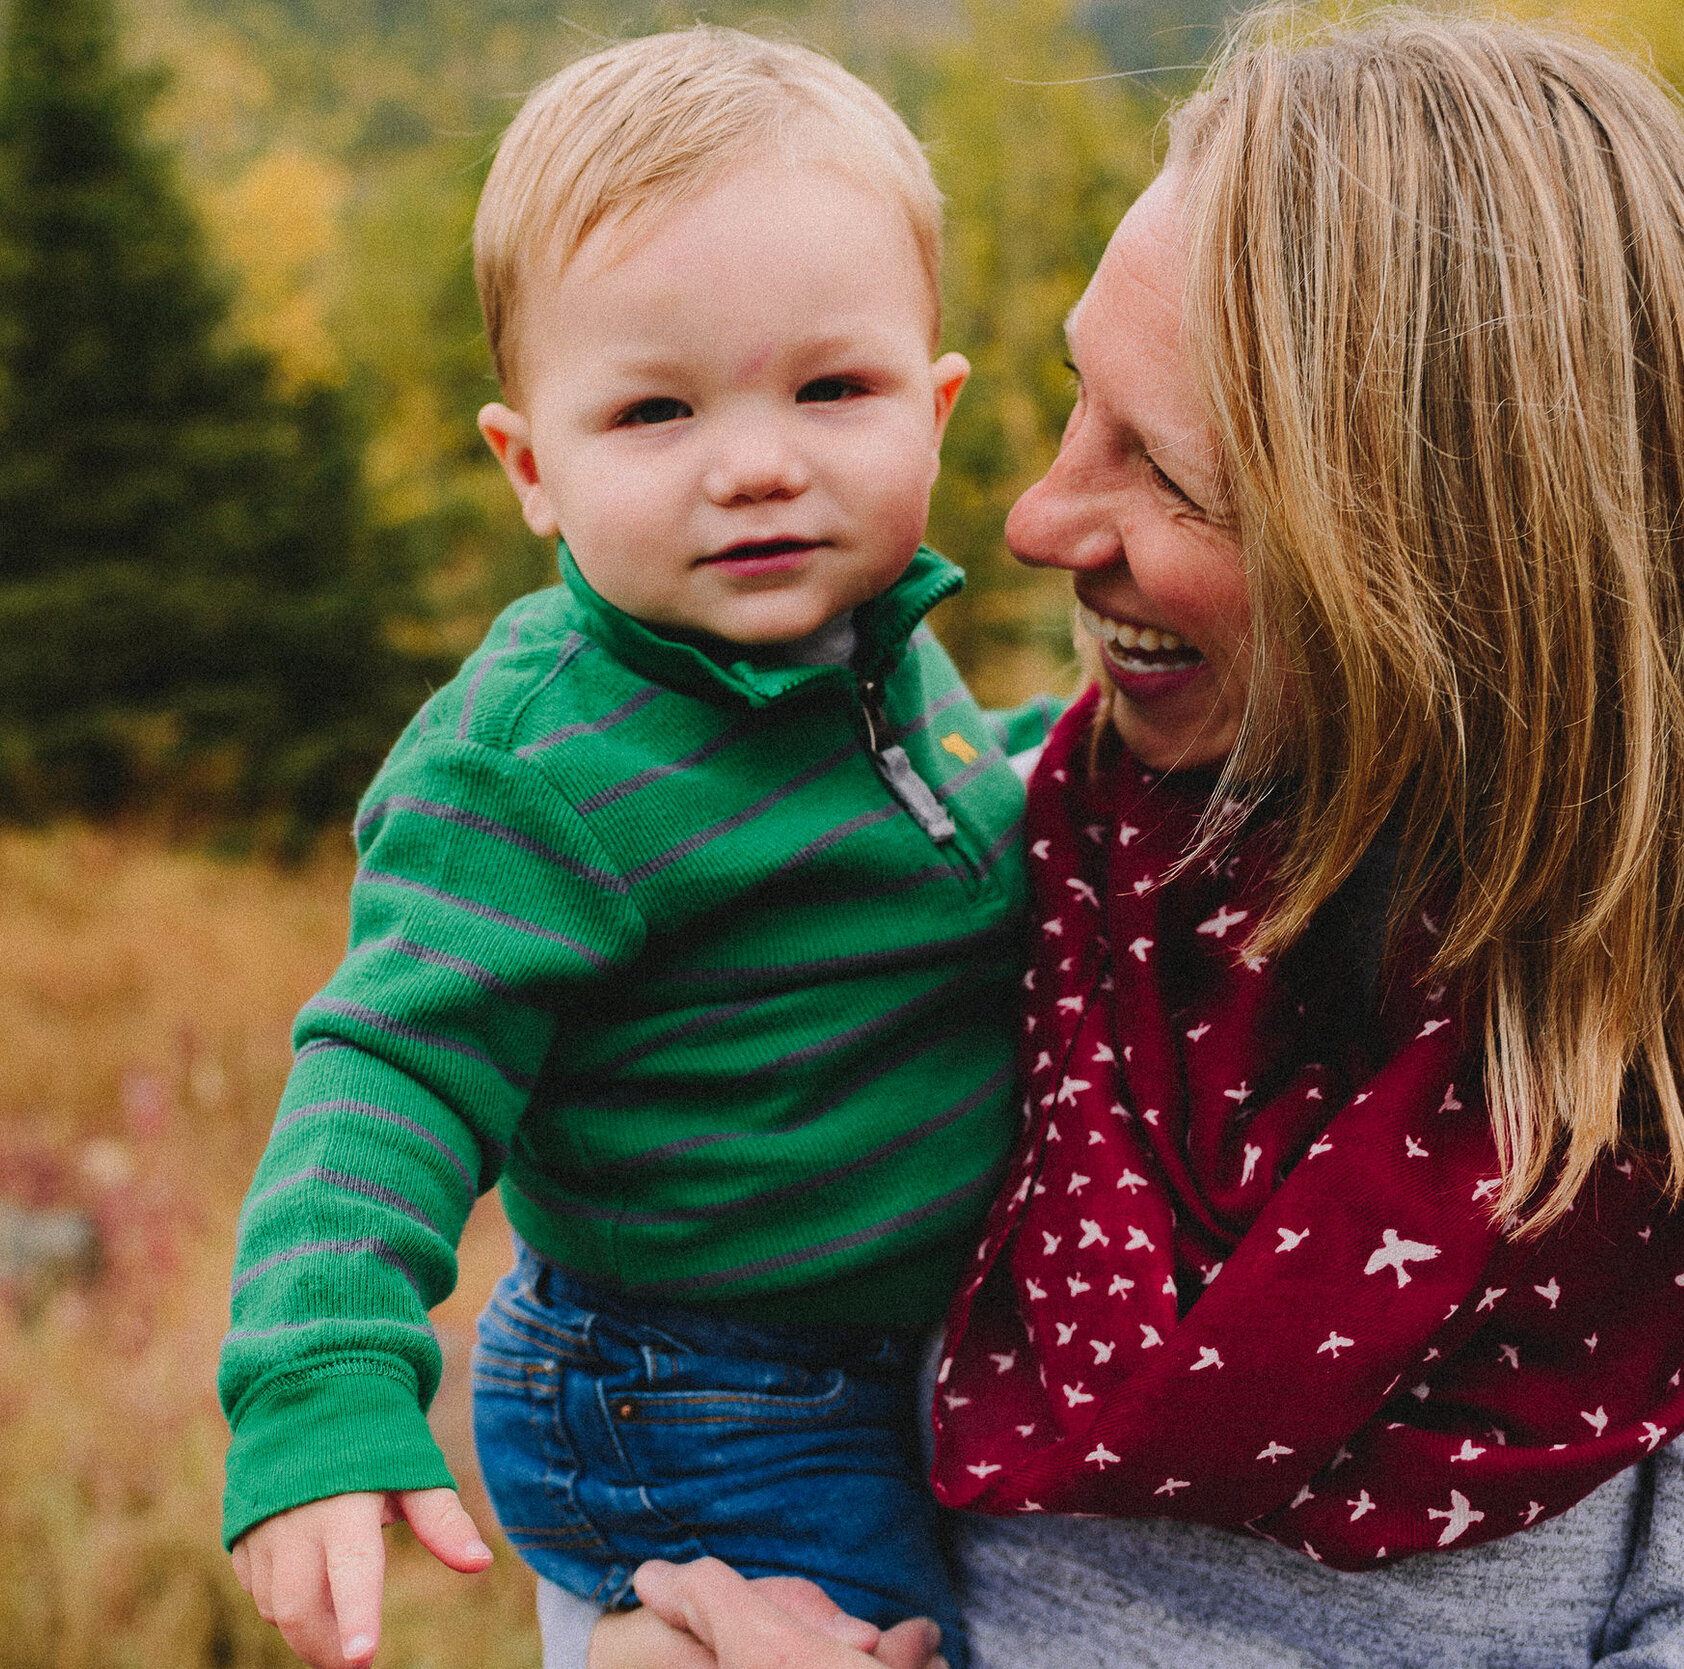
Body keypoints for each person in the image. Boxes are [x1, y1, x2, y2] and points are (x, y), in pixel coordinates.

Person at [590, 11, 1684, 1667]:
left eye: (1174, 478)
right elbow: (685, 1396)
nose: (1039, 520)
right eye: (1076, 397)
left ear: (1457, 567)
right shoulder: (995, 851)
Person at [217, 25, 1059, 1669]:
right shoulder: (533, 767)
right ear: (533, 465)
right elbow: (385, 1073)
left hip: (884, 1345)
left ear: (934, 406)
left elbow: (948, 816)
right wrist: (318, 1378)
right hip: (694, 1388)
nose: (757, 463)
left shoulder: (876, 640)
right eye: (656, 410)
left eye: (833, 388)